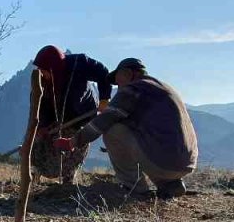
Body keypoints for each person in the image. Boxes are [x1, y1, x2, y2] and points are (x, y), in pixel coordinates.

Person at [64, 58, 198, 199]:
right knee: (149, 141)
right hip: (186, 162)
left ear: (128, 73)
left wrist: (74, 141)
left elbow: (103, 121)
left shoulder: (134, 89)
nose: (118, 86)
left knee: (111, 131)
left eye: (118, 80)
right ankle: (170, 184)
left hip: (163, 162)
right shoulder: (162, 88)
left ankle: (135, 189)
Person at [29, 45, 113, 184]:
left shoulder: (79, 64)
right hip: (56, 118)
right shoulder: (40, 81)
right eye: (40, 69)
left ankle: (68, 181)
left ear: (54, 67)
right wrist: (42, 126)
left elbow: (103, 74)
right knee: (42, 144)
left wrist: (105, 98)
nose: (41, 73)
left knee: (73, 147)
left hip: (81, 115)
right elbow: (39, 106)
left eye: (44, 70)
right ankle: (34, 176)